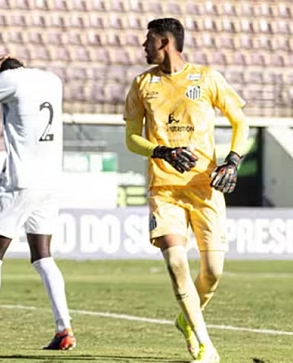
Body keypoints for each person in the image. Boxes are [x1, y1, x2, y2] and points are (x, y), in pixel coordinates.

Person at [123, 18, 248, 363]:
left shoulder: (207, 78)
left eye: (148, 40)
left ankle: (185, 319)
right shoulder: (142, 84)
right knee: (177, 262)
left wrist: (232, 160)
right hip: (164, 188)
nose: (143, 47)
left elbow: (240, 121)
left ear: (164, 42)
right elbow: (132, 138)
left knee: (213, 272)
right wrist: (161, 152)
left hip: (205, 187)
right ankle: (205, 345)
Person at [0, 55, 75, 351]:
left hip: (20, 180)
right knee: (43, 255)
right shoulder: (51, 79)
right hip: (50, 181)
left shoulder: (7, 80)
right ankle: (64, 329)